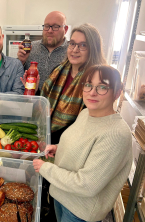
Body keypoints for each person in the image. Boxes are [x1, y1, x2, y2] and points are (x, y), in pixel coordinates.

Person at [33, 65, 132, 222]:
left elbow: (86, 185)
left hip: (79, 212)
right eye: (88, 85)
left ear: (117, 93)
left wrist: (45, 168)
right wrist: (59, 149)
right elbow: (83, 146)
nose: (92, 92)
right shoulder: (86, 113)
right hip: (61, 195)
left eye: (102, 87)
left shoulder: (116, 134)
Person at [37, 23, 107, 221]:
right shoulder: (60, 69)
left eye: (82, 45)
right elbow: (44, 102)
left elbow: (92, 125)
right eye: (73, 44)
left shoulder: (97, 78)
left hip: (76, 153)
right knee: (54, 195)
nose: (75, 50)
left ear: (92, 48)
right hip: (54, 143)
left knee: (69, 200)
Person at [18, 11, 69, 95]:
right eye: (47, 26)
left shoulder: (71, 52)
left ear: (65, 29)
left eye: (55, 27)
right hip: (31, 103)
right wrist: (21, 61)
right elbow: (17, 78)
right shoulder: (31, 47)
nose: (49, 30)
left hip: (59, 105)